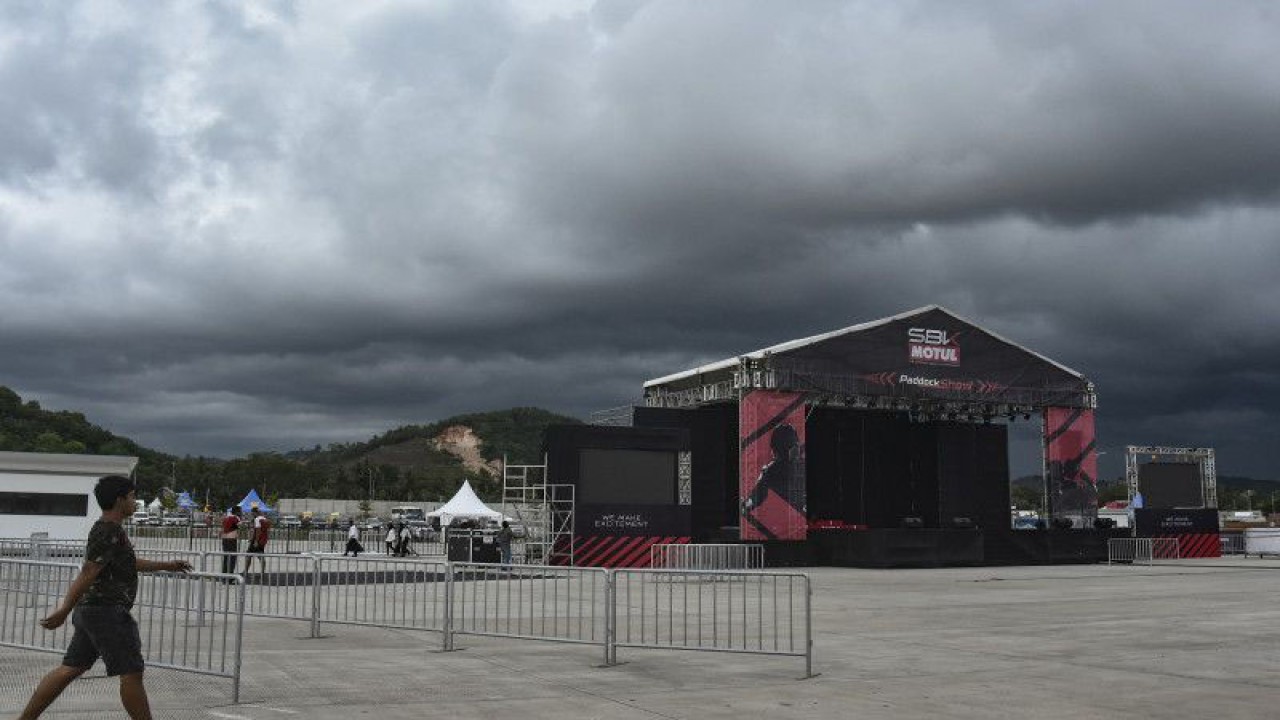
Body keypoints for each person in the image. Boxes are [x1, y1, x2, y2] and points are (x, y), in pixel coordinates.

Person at [17, 475, 192, 720]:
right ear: (120, 500)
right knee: (131, 672)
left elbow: (128, 563)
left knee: (70, 668)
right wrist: (64, 609)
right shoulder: (107, 530)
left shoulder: (111, 531)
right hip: (106, 612)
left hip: (93, 612)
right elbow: (89, 571)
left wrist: (169, 565)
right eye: (132, 497)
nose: (135, 502)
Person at [243, 507, 271, 575]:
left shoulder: (257, 519)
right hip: (263, 540)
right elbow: (267, 530)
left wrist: (255, 541)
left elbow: (258, 531)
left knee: (248, 555)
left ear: (255, 512)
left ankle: (245, 571)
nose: (252, 514)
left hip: (257, 540)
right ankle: (262, 572)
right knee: (261, 555)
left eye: (252, 513)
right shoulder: (265, 519)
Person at [219, 508, 241, 575]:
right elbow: (241, 526)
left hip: (224, 538)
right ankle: (230, 575)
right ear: (237, 512)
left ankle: (224, 574)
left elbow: (222, 527)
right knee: (232, 557)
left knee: (226, 557)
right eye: (240, 511)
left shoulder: (225, 518)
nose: (241, 512)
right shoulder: (236, 518)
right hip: (232, 539)